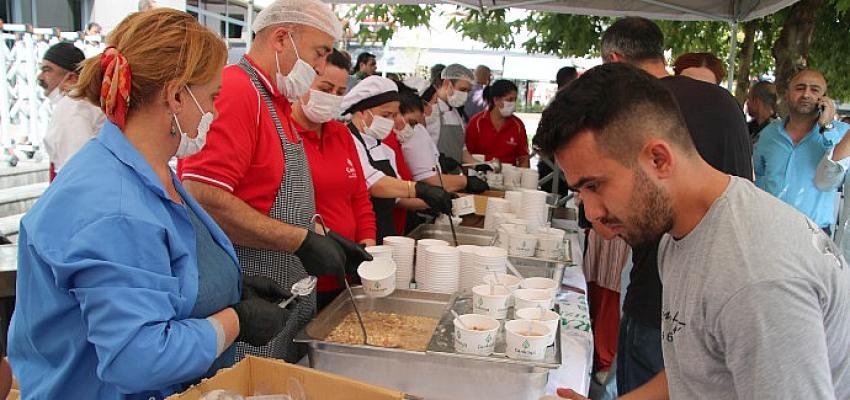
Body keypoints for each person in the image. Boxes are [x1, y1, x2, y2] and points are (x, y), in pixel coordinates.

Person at [9, 9, 296, 399]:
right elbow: (138, 359)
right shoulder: (113, 207)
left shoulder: (144, 170)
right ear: (177, 96)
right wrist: (235, 320)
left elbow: (153, 271)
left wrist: (224, 286)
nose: (212, 112)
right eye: (211, 97)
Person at [539, 62, 850, 400]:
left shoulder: (755, 279)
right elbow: (697, 370)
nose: (592, 214)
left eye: (595, 186)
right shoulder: (682, 233)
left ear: (659, 159)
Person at [178, 0, 371, 363]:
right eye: (319, 53)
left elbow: (269, 195)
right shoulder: (240, 91)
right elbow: (204, 195)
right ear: (282, 38)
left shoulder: (277, 101)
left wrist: (322, 235)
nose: (319, 66)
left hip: (286, 294)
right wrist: (300, 241)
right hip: (253, 301)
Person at [599, 16, 753, 398]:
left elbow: (615, 216)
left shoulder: (636, 109)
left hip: (657, 298)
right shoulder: (726, 103)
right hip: (723, 297)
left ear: (616, 60)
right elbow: (744, 185)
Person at [290, 49, 376, 310]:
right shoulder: (284, 135)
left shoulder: (341, 135)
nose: (332, 98)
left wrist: (366, 246)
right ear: (302, 82)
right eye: (325, 88)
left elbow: (360, 198)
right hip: (303, 274)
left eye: (340, 92)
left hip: (346, 276)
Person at [341, 75, 454, 241]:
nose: (394, 122)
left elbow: (398, 198)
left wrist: (435, 199)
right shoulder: (347, 141)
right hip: (360, 236)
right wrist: (421, 189)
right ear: (363, 112)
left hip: (386, 234)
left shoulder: (386, 150)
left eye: (394, 115)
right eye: (386, 115)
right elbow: (373, 183)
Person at [754, 68, 850, 234]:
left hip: (813, 233)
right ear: (787, 94)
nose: (806, 94)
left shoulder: (842, 133)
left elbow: (833, 176)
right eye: (800, 88)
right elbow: (759, 175)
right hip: (769, 229)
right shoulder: (769, 133)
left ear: (825, 98)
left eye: (814, 90)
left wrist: (827, 127)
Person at [396, 81, 488, 193]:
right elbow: (427, 178)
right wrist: (465, 181)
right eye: (434, 103)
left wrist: (439, 160)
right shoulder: (411, 131)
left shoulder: (420, 128)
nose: (433, 108)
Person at [39, 42, 105, 180]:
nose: (40, 77)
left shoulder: (72, 105)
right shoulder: (79, 103)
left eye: (47, 70)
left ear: (71, 78)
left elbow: (76, 173)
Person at [465, 79, 529, 167]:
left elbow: (524, 159)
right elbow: (466, 155)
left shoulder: (518, 125)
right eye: (510, 99)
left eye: (515, 100)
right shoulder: (477, 123)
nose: (513, 103)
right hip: (480, 174)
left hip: (509, 177)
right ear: (496, 100)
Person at [427, 63, 476, 171]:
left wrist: (478, 165)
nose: (465, 95)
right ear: (446, 84)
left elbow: (461, 149)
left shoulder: (456, 113)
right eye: (462, 90)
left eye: (468, 91)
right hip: (433, 177)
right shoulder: (430, 111)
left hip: (455, 177)